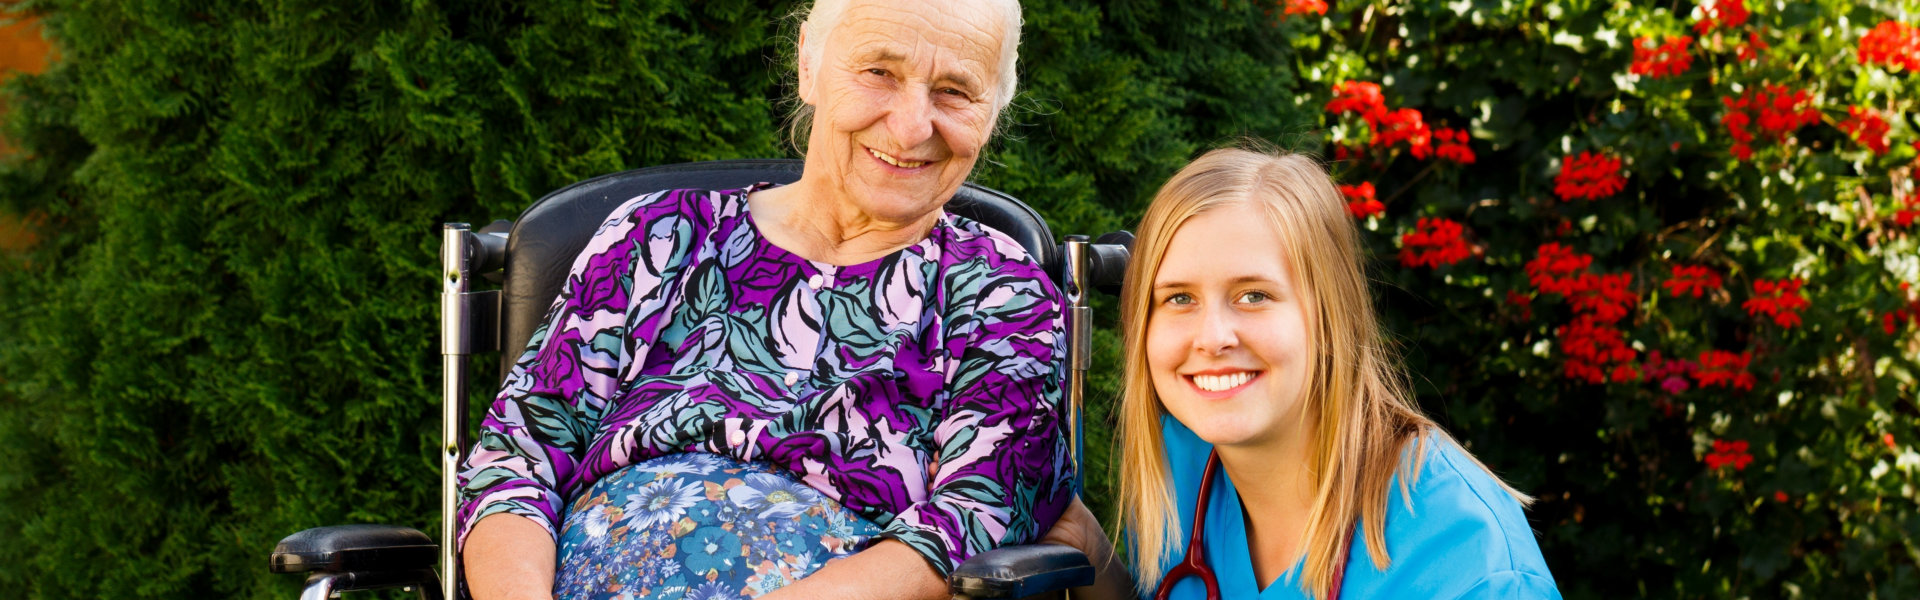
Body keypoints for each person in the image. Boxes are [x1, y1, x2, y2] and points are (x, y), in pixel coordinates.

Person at [455, 1, 1074, 599]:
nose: (913, 125)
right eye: (879, 72)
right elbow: (514, 463)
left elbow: (973, 526)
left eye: (955, 91)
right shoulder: (656, 238)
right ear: (810, 63)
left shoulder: (1003, 295)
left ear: (993, 111)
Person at [1042, 147, 1560, 599]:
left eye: (1254, 296)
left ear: (1331, 317)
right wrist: (1095, 563)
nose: (1213, 336)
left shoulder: (1468, 561)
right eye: (1179, 298)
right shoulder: (1183, 468)